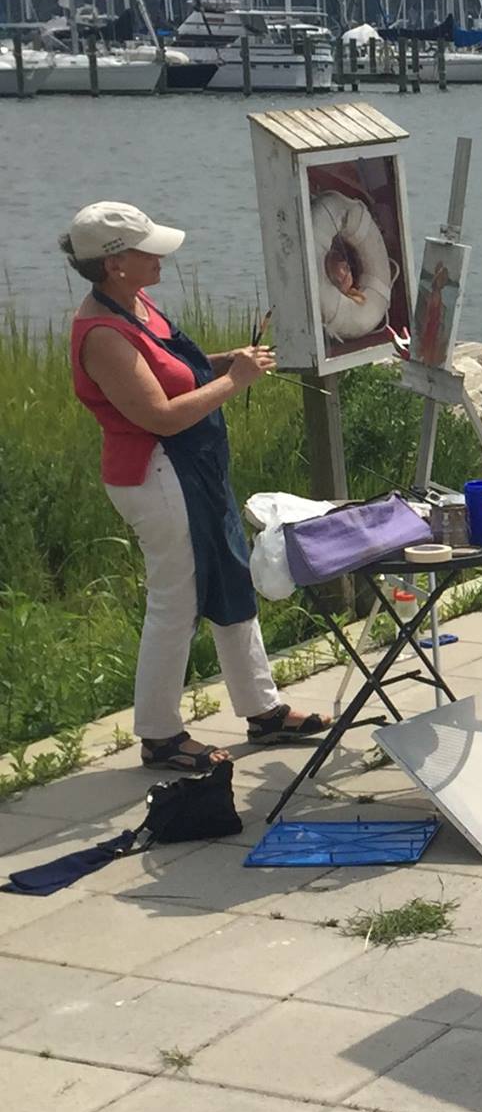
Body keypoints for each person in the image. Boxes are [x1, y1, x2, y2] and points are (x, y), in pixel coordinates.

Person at [66, 202, 328, 772]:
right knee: (176, 603)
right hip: (158, 475)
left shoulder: (134, 302)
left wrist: (221, 360)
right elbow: (158, 415)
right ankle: (160, 734)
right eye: (148, 249)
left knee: (232, 579)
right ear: (114, 264)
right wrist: (234, 381)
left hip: (195, 471)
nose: (161, 255)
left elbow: (169, 370)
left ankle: (262, 711)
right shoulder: (101, 333)